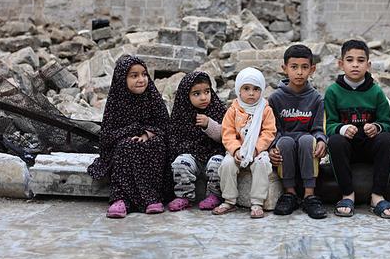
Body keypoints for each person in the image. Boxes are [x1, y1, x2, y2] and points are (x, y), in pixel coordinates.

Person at [87, 55, 172, 219]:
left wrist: (147, 134)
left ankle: (152, 198)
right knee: (126, 146)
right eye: (134, 76)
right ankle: (120, 199)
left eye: (144, 74)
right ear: (122, 78)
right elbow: (106, 136)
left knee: (158, 144)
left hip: (150, 144)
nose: (141, 79)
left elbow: (164, 125)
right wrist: (132, 132)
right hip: (123, 149)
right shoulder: (116, 102)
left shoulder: (152, 98)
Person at [325, 40, 390, 218]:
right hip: (347, 148)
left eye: (361, 60)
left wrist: (377, 127)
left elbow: (388, 123)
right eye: (350, 60)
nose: (355, 64)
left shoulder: (376, 92)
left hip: (369, 147)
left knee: (388, 140)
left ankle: (377, 196)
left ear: (369, 65)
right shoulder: (333, 92)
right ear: (341, 64)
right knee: (335, 141)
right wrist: (342, 129)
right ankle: (347, 195)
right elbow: (329, 125)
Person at [268, 45, 328, 219]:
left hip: (306, 143)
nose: (299, 72)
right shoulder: (275, 98)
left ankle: (309, 195)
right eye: (294, 67)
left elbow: (318, 128)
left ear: (312, 69)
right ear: (284, 68)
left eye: (304, 67)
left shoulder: (316, 98)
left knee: (307, 140)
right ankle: (290, 194)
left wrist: (322, 140)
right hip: (285, 144)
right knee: (284, 141)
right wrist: (271, 147)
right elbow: (273, 130)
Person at [212, 67, 276, 218]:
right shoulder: (233, 110)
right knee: (227, 164)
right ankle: (229, 200)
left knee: (261, 164)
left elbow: (268, 132)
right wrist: (235, 151)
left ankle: (257, 202)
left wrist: (255, 149)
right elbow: (227, 134)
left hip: (257, 151)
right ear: (238, 90)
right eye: (246, 88)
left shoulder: (265, 110)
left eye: (256, 89)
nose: (251, 93)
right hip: (237, 151)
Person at [167, 71, 227, 212]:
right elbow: (174, 138)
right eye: (196, 94)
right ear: (186, 96)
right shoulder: (181, 113)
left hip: (214, 152)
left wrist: (209, 124)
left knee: (217, 164)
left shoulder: (218, 110)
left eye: (207, 91)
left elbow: (225, 135)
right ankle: (184, 196)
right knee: (180, 163)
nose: (203, 97)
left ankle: (214, 195)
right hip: (191, 155)